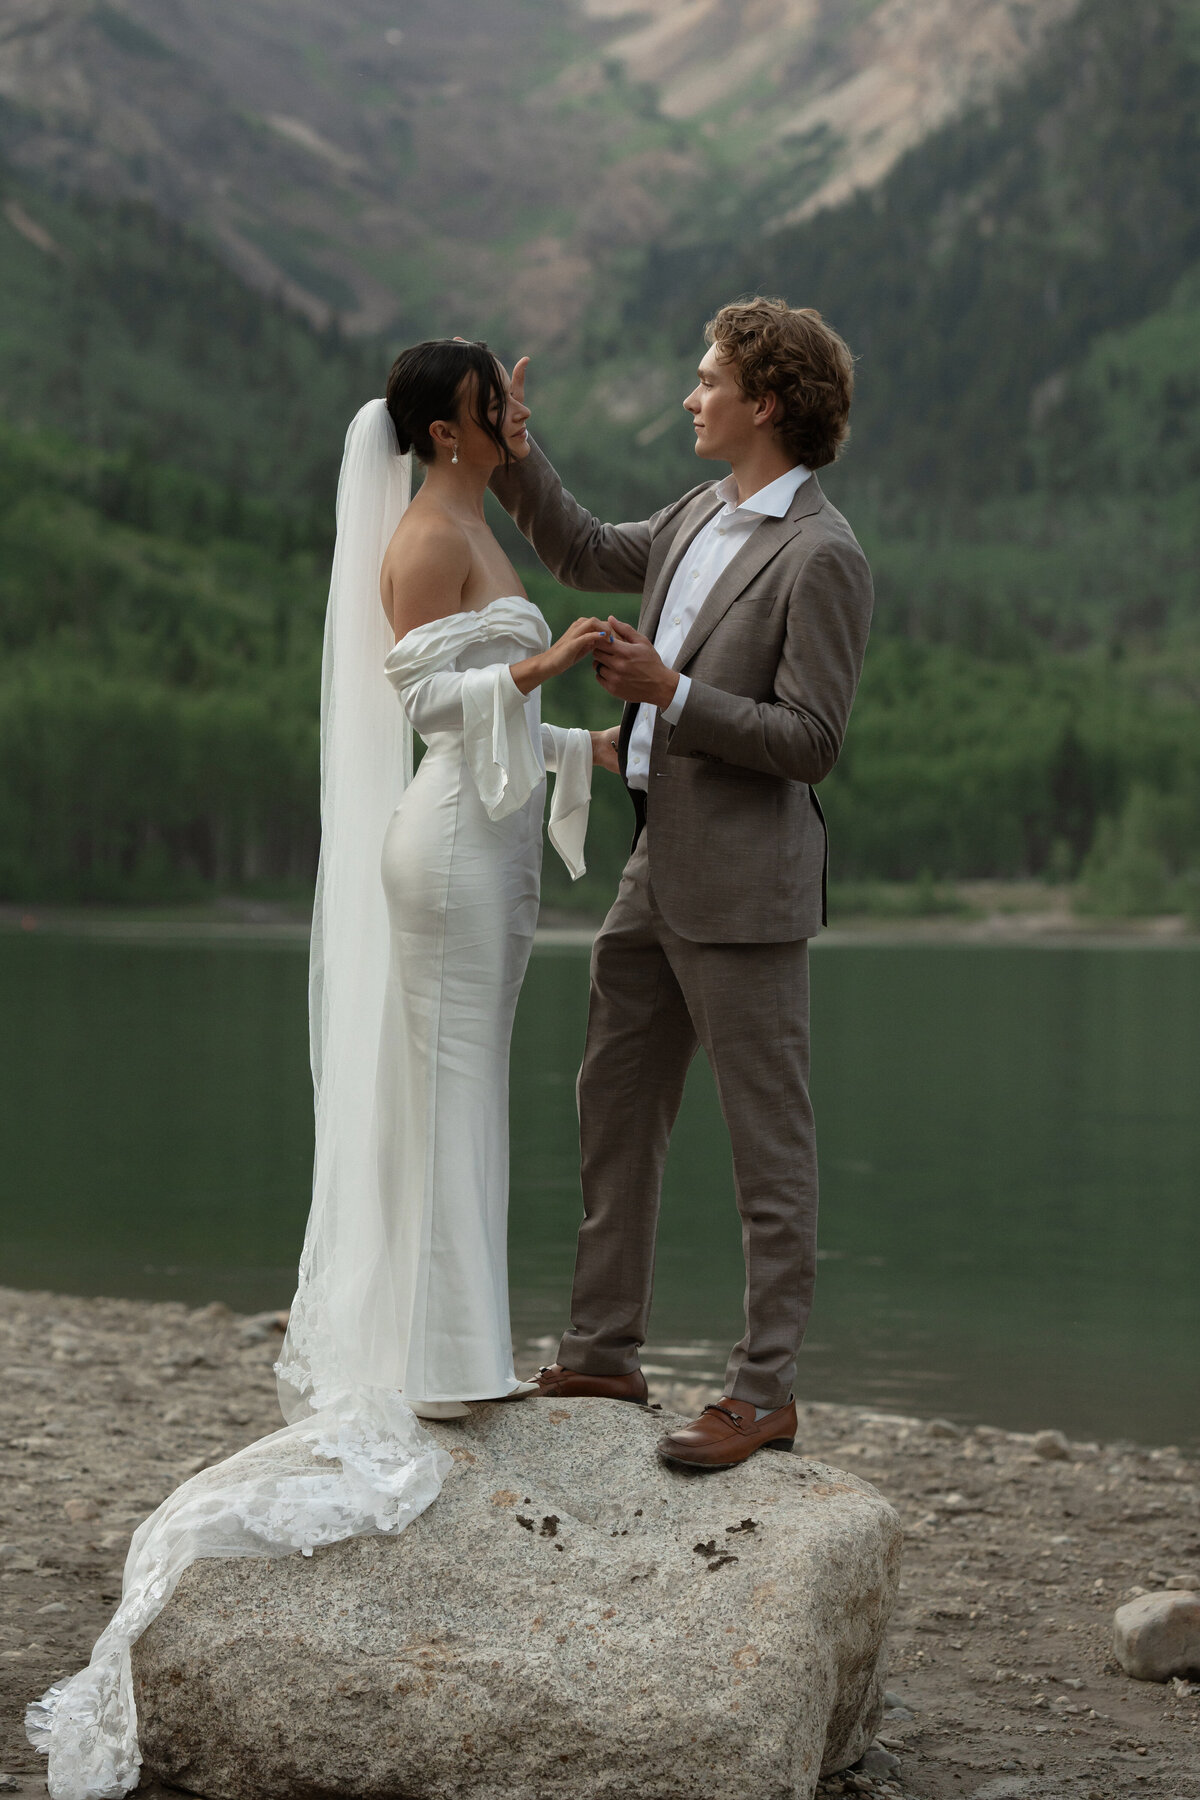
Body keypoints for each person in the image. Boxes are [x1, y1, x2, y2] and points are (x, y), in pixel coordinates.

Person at [27, 340, 611, 1800]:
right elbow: (432, 706)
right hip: (444, 851)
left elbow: (495, 702)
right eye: (494, 403)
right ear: (443, 424)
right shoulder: (422, 536)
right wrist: (550, 658)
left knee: (467, 1089)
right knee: (447, 1084)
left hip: (486, 851)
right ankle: (441, 1360)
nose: (509, 419)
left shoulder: (475, 519)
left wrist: (581, 732)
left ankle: (460, 1348)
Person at [490, 297, 874, 1469]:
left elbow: (811, 740)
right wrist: (514, 453)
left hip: (750, 887)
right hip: (657, 866)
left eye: (708, 381)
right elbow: (583, 549)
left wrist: (670, 693)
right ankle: (602, 1350)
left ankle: (764, 1392)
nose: (690, 396)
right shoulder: (701, 510)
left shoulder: (825, 556)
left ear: (766, 403)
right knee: (614, 1107)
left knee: (770, 1148)